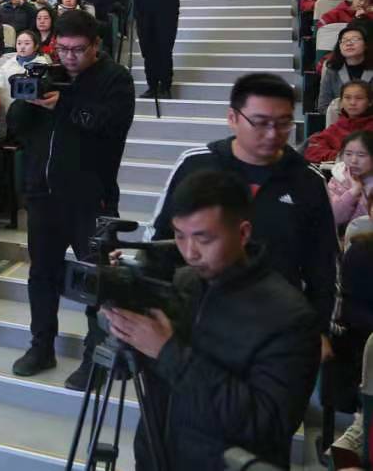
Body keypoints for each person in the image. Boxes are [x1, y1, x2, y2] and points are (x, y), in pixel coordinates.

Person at [104, 170, 320, 471]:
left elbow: (266, 424)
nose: (190, 252)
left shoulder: (289, 317)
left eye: (203, 239)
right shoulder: (184, 283)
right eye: (180, 236)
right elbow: (156, 378)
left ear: (243, 233)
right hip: (157, 457)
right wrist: (127, 320)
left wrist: (168, 352)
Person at [151, 73, 338, 351]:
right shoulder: (196, 165)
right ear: (233, 118)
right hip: (198, 320)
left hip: (276, 328)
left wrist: (319, 330)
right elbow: (161, 238)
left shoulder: (307, 180)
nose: (273, 134)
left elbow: (323, 265)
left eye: (283, 123)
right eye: (260, 123)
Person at [9, 9, 135, 388]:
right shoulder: (48, 73)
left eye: (78, 50)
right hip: (43, 194)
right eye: (62, 49)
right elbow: (16, 126)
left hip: (91, 199)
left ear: (95, 45)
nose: (69, 57)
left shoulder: (115, 79)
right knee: (41, 274)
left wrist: (61, 103)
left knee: (97, 280)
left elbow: (106, 125)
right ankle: (41, 346)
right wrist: (28, 96)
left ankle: (95, 359)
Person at [305, 80, 373, 163]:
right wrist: (340, 156)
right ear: (341, 102)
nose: (352, 103)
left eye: (359, 98)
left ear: (370, 102)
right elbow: (312, 151)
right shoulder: (336, 128)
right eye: (347, 98)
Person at [319, 24, 373, 110]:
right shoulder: (332, 70)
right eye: (344, 40)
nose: (349, 43)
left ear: (366, 44)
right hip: (339, 117)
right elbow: (323, 106)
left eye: (355, 39)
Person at [327, 129, 373, 229]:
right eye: (348, 154)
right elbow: (333, 217)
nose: (353, 160)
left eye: (361, 155)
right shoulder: (338, 180)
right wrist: (354, 192)